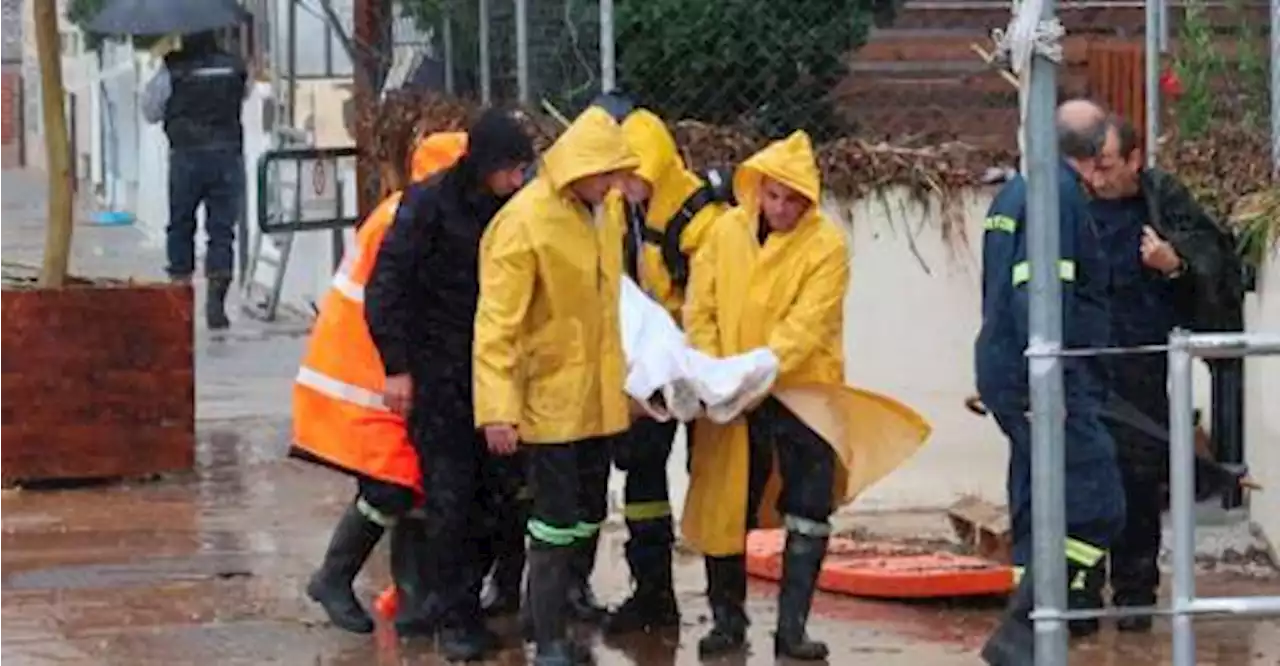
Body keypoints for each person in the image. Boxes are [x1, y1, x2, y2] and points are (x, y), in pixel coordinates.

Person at [366, 109, 534, 661]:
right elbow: (387, 285)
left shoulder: (517, 208)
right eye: (509, 170)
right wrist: (398, 366)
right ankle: (452, 616)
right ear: (483, 164)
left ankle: (476, 599)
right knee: (451, 498)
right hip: (439, 373)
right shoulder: (429, 206)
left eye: (522, 170)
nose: (517, 180)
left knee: (498, 497)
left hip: (496, 373)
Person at [472, 105, 638, 666]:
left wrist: (627, 387)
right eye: (606, 173)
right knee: (551, 521)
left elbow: (610, 313)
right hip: (549, 401)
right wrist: (498, 409)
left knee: (587, 512)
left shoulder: (601, 213)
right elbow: (497, 325)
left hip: (595, 401)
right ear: (579, 171)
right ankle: (546, 638)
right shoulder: (524, 224)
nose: (614, 184)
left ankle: (558, 613)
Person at [681, 130, 850, 661]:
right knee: (723, 506)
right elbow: (700, 306)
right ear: (756, 188)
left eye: (793, 199)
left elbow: (808, 325)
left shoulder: (827, 245)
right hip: (729, 395)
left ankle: (792, 629)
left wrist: (759, 367)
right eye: (773, 195)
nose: (781, 208)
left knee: (808, 504)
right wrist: (713, 369)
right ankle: (727, 622)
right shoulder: (722, 233)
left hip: (802, 394)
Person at [292, 132, 466, 637]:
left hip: (365, 376)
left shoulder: (406, 213)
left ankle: (412, 602)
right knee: (392, 484)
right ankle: (334, 576)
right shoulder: (409, 222)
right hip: (362, 381)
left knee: (411, 482)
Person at [975, 100, 1126, 663]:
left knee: (1037, 497)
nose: (1106, 173)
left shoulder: (1015, 193)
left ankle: (1037, 625)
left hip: (1013, 368)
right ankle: (1023, 628)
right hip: (1047, 375)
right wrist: (1051, 382)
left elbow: (1001, 292)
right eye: (1105, 159)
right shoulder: (1057, 197)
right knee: (1099, 501)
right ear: (1088, 156)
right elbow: (1038, 293)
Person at [1087, 118, 1244, 632]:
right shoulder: (1071, 209)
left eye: (1106, 165)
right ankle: (1079, 601)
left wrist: (1172, 265)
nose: (1096, 176)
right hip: (1082, 365)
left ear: (1134, 161)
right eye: (1090, 164)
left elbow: (1210, 271)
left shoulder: (1161, 207)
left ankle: (1135, 597)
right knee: (1082, 481)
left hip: (1141, 365)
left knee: (1136, 481)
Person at [602, 107, 731, 635]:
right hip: (650, 364)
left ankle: (727, 610)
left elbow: (710, 302)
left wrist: (692, 368)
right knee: (643, 473)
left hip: (697, 362)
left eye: (636, 176)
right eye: (622, 176)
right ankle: (652, 593)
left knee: (716, 481)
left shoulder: (701, 220)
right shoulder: (621, 211)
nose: (628, 186)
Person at [141, 30, 249, 330]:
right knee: (222, 231)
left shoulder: (172, 68)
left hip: (186, 157)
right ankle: (216, 303)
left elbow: (150, 111)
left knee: (180, 226)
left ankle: (180, 299)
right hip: (227, 155)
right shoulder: (234, 65)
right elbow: (245, 93)